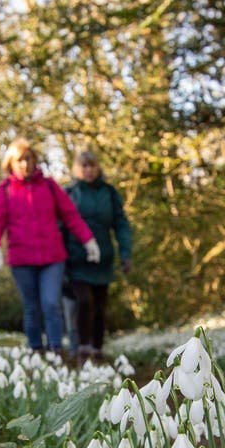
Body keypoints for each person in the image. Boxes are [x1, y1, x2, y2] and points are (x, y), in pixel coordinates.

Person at [0, 138, 100, 352]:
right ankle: (36, 350)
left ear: (34, 160)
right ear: (11, 162)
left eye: (28, 159)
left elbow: (70, 215)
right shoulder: (5, 190)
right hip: (21, 259)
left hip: (52, 258)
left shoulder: (49, 185)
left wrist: (88, 240)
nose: (24, 164)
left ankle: (55, 350)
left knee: (51, 303)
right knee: (31, 307)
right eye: (19, 160)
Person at [63, 150, 133, 361]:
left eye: (92, 165)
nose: (88, 170)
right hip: (76, 258)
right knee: (84, 302)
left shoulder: (109, 193)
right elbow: (61, 224)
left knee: (100, 306)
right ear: (77, 169)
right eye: (83, 166)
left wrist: (125, 253)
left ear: (98, 167)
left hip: (103, 258)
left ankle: (97, 348)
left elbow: (121, 224)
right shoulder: (70, 192)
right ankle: (83, 347)